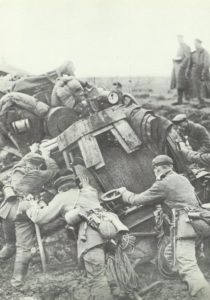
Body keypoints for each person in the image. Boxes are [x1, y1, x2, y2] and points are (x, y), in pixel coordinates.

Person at [19, 174, 128, 300]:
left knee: (97, 279)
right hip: (110, 235)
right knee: (112, 271)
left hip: (91, 240)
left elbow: (40, 218)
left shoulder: (62, 197)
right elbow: (89, 188)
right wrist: (85, 184)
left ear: (60, 189)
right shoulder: (89, 192)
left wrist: (30, 205)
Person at [117, 155, 210, 300]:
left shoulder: (163, 183)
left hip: (186, 224)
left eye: (155, 169)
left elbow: (137, 199)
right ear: (170, 166)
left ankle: (203, 293)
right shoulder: (182, 178)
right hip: (201, 220)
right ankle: (193, 284)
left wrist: (123, 193)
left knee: (187, 265)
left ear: (157, 169)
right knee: (169, 254)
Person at [0, 149, 59, 288]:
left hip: (7, 210)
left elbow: (23, 161)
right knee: (23, 248)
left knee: (9, 245)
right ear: (37, 166)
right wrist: (46, 155)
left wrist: (32, 151)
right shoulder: (36, 174)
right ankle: (17, 282)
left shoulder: (16, 170)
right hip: (22, 212)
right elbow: (54, 170)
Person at [186, 39, 210, 109]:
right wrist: (188, 71)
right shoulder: (193, 53)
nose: (195, 45)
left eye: (196, 44)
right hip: (194, 73)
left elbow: (206, 64)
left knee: (205, 87)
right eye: (194, 44)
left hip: (202, 72)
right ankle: (201, 102)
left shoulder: (205, 52)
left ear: (200, 43)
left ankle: (203, 103)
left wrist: (203, 73)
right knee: (197, 88)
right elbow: (190, 64)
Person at [171, 35, 191, 105]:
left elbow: (187, 57)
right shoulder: (179, 47)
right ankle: (179, 100)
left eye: (180, 39)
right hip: (178, 68)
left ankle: (186, 100)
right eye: (178, 39)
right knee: (179, 85)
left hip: (183, 69)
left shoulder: (186, 47)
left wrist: (182, 65)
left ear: (182, 39)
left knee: (184, 84)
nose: (178, 40)